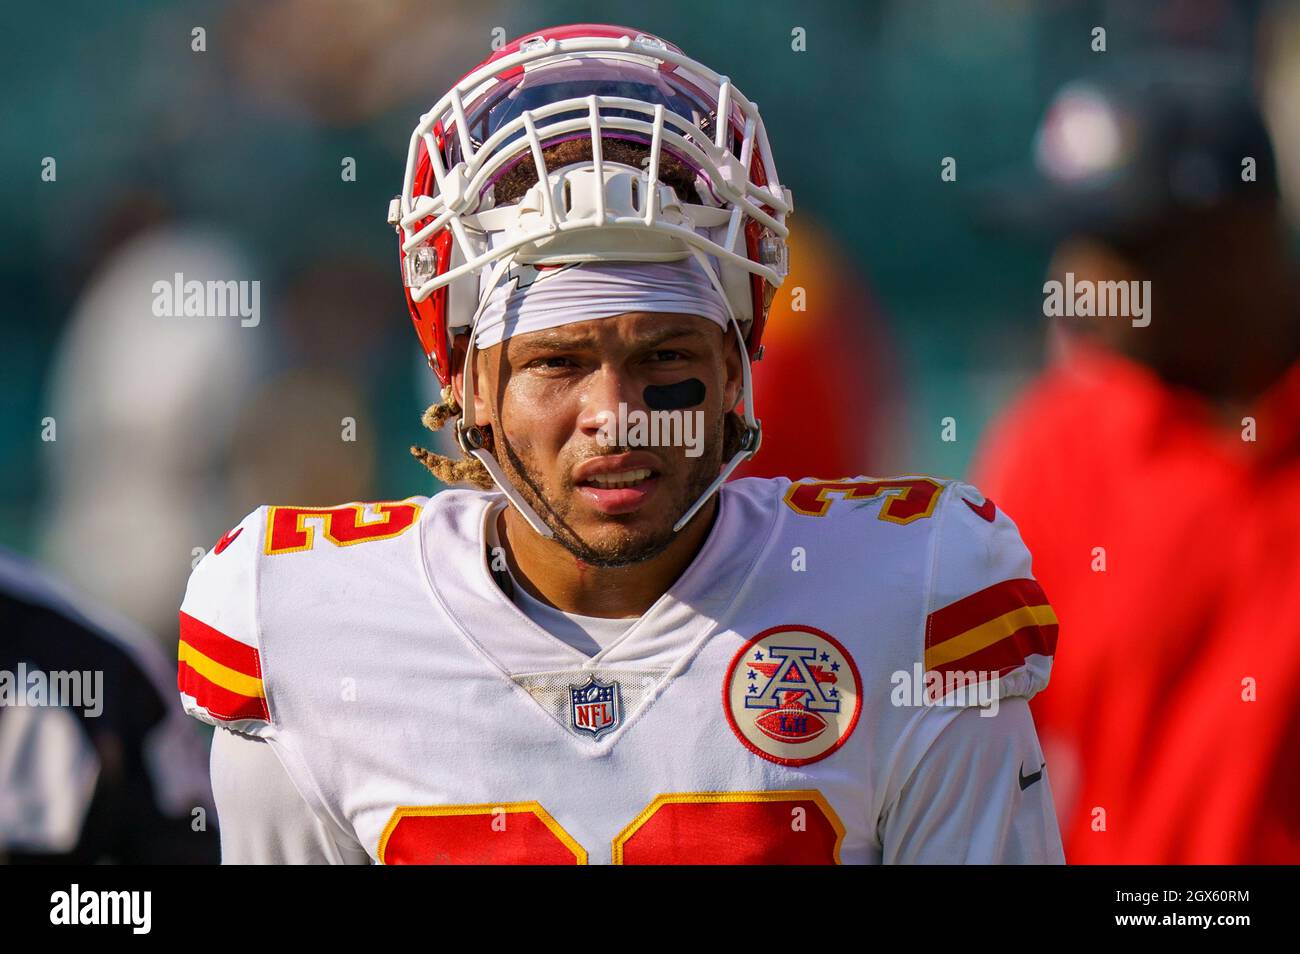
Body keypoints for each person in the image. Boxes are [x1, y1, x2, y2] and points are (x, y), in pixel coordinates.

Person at [179, 24, 1063, 865]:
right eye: (557, 363)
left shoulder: (915, 601)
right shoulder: (307, 630)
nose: (616, 412)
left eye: (663, 356)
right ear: (465, 386)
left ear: (732, 368)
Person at [972, 63, 1300, 863]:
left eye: (1116, 244)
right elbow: (971, 768)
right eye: (1067, 242)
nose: (1075, 282)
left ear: (1237, 243)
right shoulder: (1052, 451)